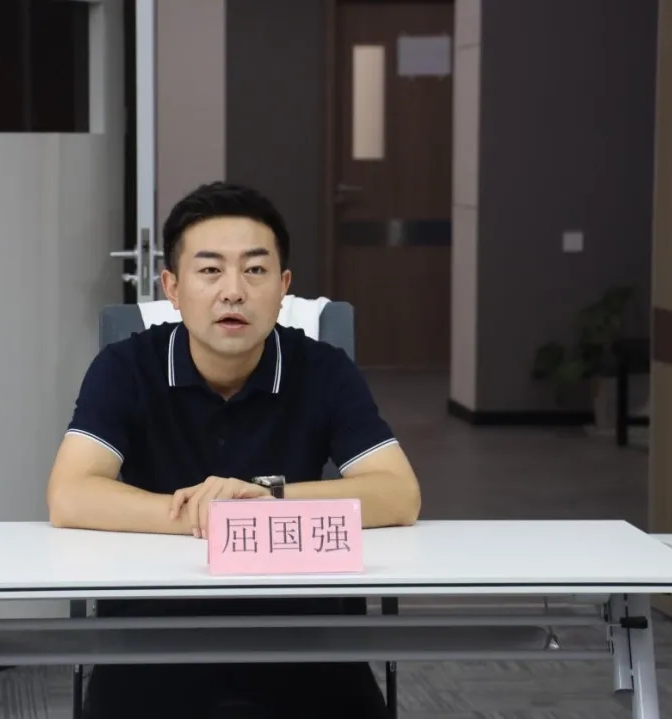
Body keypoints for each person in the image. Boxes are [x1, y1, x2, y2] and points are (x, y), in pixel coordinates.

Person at [47, 181, 422, 719]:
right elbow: (70, 494)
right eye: (209, 270)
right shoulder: (126, 367)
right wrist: (207, 515)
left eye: (255, 269)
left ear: (283, 286)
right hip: (153, 634)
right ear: (172, 287)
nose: (233, 292)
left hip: (306, 636)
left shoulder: (323, 369)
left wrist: (265, 499)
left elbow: (398, 494)